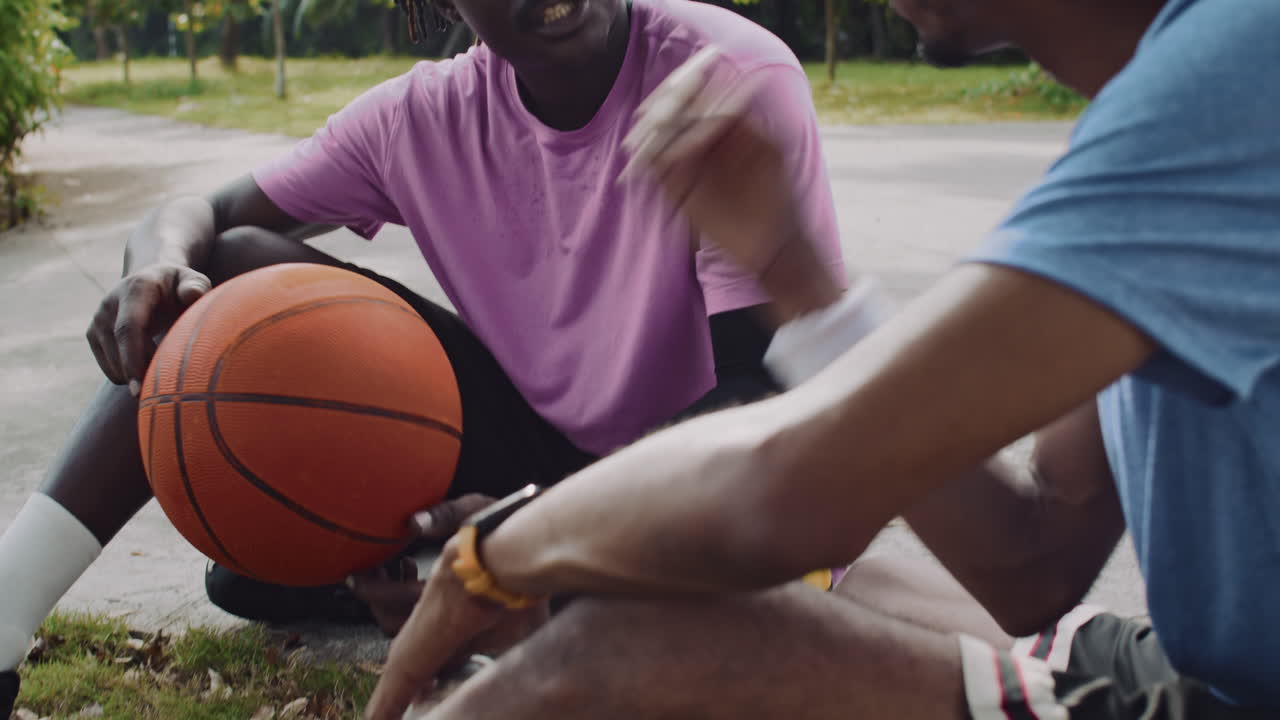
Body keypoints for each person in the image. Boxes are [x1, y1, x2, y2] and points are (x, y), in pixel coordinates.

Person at [362, 0, 1280, 718]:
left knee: (608, 655)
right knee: (772, 599)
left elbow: (789, 490)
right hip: (1202, 669)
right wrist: (798, 278)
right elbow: (1033, 557)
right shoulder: (1171, 89)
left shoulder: (1231, 79)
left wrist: (498, 554)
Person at [0, 0, 851, 714]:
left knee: (697, 603)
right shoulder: (424, 116)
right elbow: (204, 217)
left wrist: (547, 536)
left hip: (725, 483)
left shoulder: (724, 78)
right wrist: (158, 260)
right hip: (544, 450)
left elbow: (758, 394)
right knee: (213, 284)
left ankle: (506, 596)